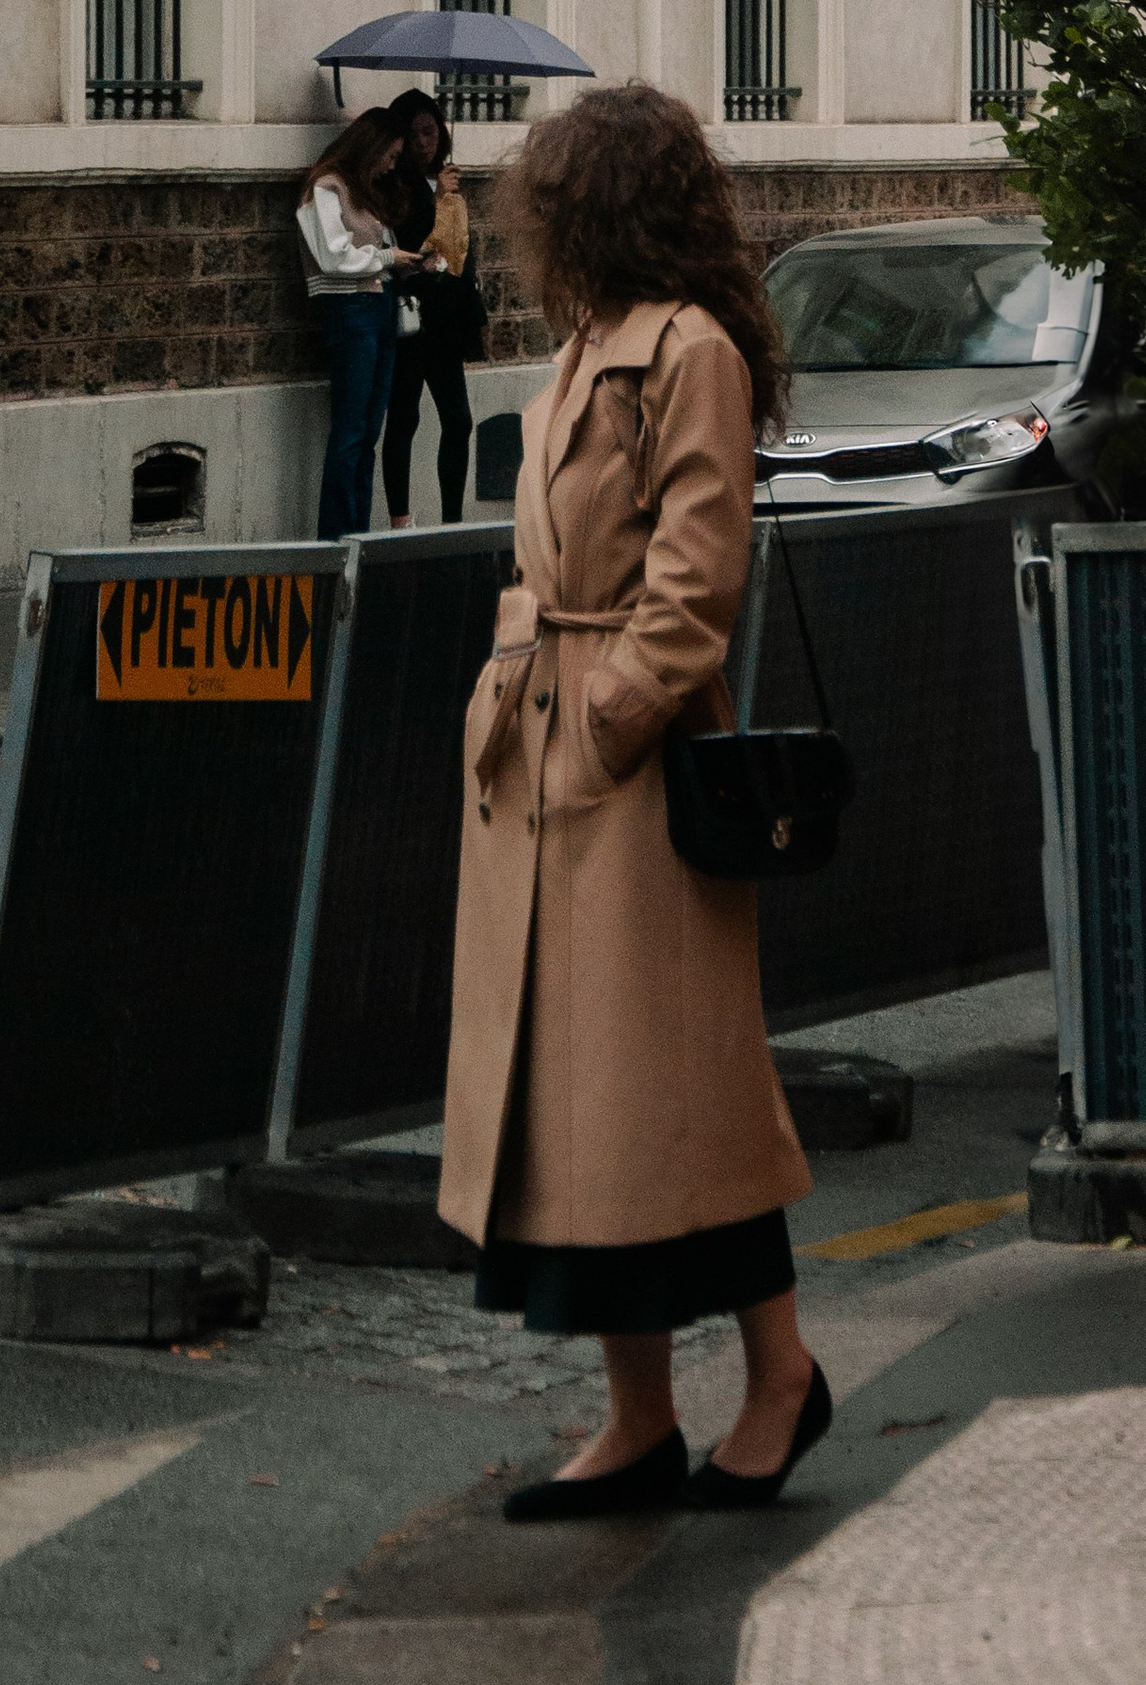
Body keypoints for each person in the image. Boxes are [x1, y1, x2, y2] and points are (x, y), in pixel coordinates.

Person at [439, 82, 830, 1519]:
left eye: (548, 203)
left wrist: (604, 724)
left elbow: (697, 578)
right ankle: (640, 1417)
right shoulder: (589, 343)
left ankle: (778, 1377)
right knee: (589, 1124)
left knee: (679, 1110)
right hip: (546, 766)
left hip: (632, 776)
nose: (529, 230)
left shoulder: (689, 350)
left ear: (594, 206)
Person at [298, 107, 412, 536]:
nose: (392, 164)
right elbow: (331, 256)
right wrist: (386, 257)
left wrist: (406, 263)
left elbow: (375, 256)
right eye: (391, 154)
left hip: (379, 307)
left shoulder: (364, 194)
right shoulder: (325, 189)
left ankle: (357, 535)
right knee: (349, 432)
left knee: (368, 434)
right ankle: (336, 536)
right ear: (372, 146)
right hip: (349, 311)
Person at [378, 89, 480, 529]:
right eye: (415, 134)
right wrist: (437, 198)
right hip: (411, 314)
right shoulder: (393, 186)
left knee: (458, 420)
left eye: (431, 130)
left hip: (446, 317)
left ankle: (452, 520)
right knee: (405, 418)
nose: (425, 142)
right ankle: (400, 520)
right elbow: (410, 240)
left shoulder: (447, 183)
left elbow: (459, 250)